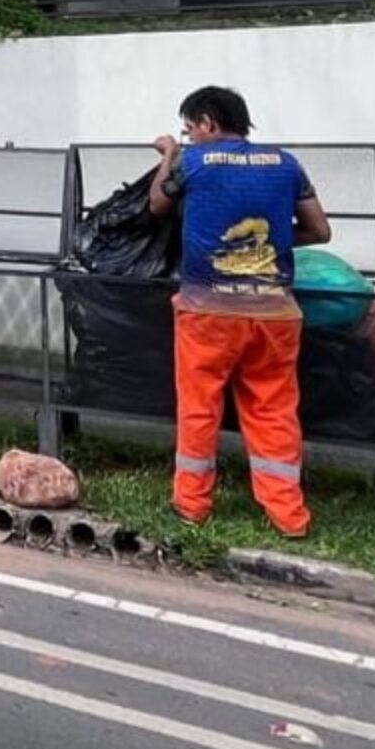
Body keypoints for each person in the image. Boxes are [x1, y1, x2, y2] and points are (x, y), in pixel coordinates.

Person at [148, 85, 332, 537]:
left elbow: (157, 205)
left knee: (200, 407)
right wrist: (270, 245)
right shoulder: (286, 163)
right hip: (275, 314)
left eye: (189, 129)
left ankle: (192, 505)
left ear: (208, 123)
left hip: (207, 314)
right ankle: (288, 514)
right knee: (274, 410)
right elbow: (320, 231)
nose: (189, 137)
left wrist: (168, 154)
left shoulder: (193, 161)